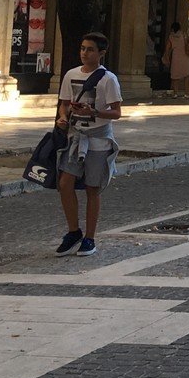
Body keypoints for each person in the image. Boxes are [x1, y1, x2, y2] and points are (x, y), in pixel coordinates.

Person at [54, 32, 122, 258]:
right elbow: (64, 103)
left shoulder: (108, 79)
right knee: (65, 183)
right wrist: (63, 117)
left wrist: (94, 112)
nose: (84, 53)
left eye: (90, 49)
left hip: (98, 139)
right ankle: (73, 231)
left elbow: (117, 112)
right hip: (76, 136)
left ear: (101, 53)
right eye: (82, 48)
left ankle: (90, 238)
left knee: (93, 188)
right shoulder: (71, 74)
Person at [161, 21, 189, 97]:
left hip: (176, 57)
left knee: (175, 76)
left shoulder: (171, 37)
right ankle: (186, 93)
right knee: (186, 76)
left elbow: (167, 48)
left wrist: (166, 56)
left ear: (172, 28)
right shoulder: (184, 34)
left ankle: (175, 93)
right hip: (187, 57)